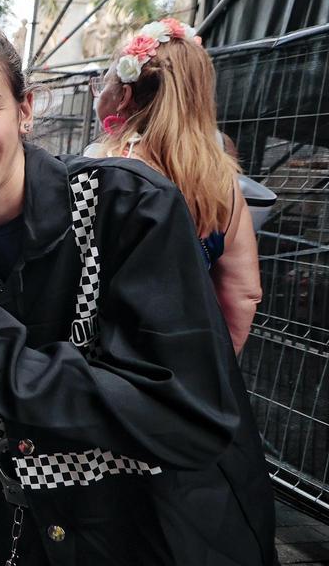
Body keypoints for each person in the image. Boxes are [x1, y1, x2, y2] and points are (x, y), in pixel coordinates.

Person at [0, 22, 282, 566]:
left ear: (25, 108)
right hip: (31, 543)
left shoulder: (125, 202)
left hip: (160, 544)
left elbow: (184, 413)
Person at [88, 18, 261, 353]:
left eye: (103, 83)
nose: (99, 92)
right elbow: (243, 293)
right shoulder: (222, 182)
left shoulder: (103, 169)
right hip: (176, 361)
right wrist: (214, 371)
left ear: (124, 96)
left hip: (97, 359)